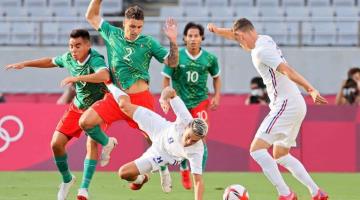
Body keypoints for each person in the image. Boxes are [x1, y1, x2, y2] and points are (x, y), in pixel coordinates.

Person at [208, 18, 329, 200]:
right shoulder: (265, 38)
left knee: (256, 150)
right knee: (280, 154)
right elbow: (236, 34)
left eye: (240, 39)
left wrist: (310, 88)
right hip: (296, 103)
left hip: (285, 104)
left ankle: (285, 194)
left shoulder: (261, 52)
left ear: (243, 34)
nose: (240, 43)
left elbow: (287, 70)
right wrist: (217, 30)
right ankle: (316, 192)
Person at [5, 29, 111, 200]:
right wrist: (25, 63)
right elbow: (50, 61)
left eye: (78, 46)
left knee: (91, 144)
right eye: (71, 46)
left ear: (87, 45)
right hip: (77, 107)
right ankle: (67, 180)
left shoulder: (96, 58)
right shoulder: (69, 58)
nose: (73, 50)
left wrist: (77, 79)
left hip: (97, 109)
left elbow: (104, 75)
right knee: (56, 144)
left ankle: (84, 189)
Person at [81, 1, 178, 168]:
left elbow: (172, 62)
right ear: (124, 22)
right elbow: (91, 16)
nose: (136, 31)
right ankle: (108, 142)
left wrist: (173, 41)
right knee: (85, 122)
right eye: (132, 26)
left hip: (141, 99)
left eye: (140, 27)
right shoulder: (112, 34)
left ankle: (163, 170)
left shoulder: (148, 42)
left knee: (153, 139)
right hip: (116, 97)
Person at [115, 86, 207, 200]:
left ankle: (150, 174)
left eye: (194, 141)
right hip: (160, 128)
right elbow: (170, 91)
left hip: (163, 156)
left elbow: (198, 182)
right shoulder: (186, 118)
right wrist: (163, 98)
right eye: (188, 137)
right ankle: (108, 84)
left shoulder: (197, 151)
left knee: (123, 173)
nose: (189, 142)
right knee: (125, 107)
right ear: (187, 126)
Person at [161, 22, 221, 190]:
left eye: (196, 36)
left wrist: (217, 95)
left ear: (202, 38)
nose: (193, 39)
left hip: (200, 102)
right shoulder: (175, 56)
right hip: (181, 103)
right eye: (190, 36)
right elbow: (166, 77)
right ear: (185, 38)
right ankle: (183, 166)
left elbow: (216, 77)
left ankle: (197, 174)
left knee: (201, 136)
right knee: (182, 137)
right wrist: (165, 97)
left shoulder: (210, 59)